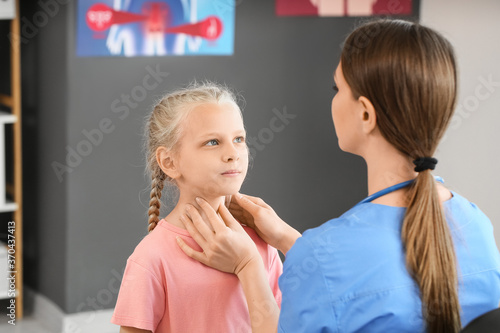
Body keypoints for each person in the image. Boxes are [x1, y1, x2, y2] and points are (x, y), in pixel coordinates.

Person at [177, 19, 500, 333]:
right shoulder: (476, 223)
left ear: (365, 113)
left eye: (337, 87)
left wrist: (248, 265)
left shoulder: (325, 254)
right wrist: (290, 241)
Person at [111, 82, 283, 333]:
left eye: (239, 139)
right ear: (169, 162)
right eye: (213, 142)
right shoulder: (151, 258)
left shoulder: (261, 243)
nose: (233, 153)